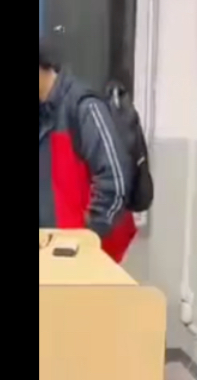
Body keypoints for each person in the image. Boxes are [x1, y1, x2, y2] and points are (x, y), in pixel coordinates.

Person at [39, 40, 137, 263]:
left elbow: (115, 182)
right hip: (51, 253)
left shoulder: (84, 107)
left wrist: (88, 239)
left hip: (81, 255)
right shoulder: (44, 112)